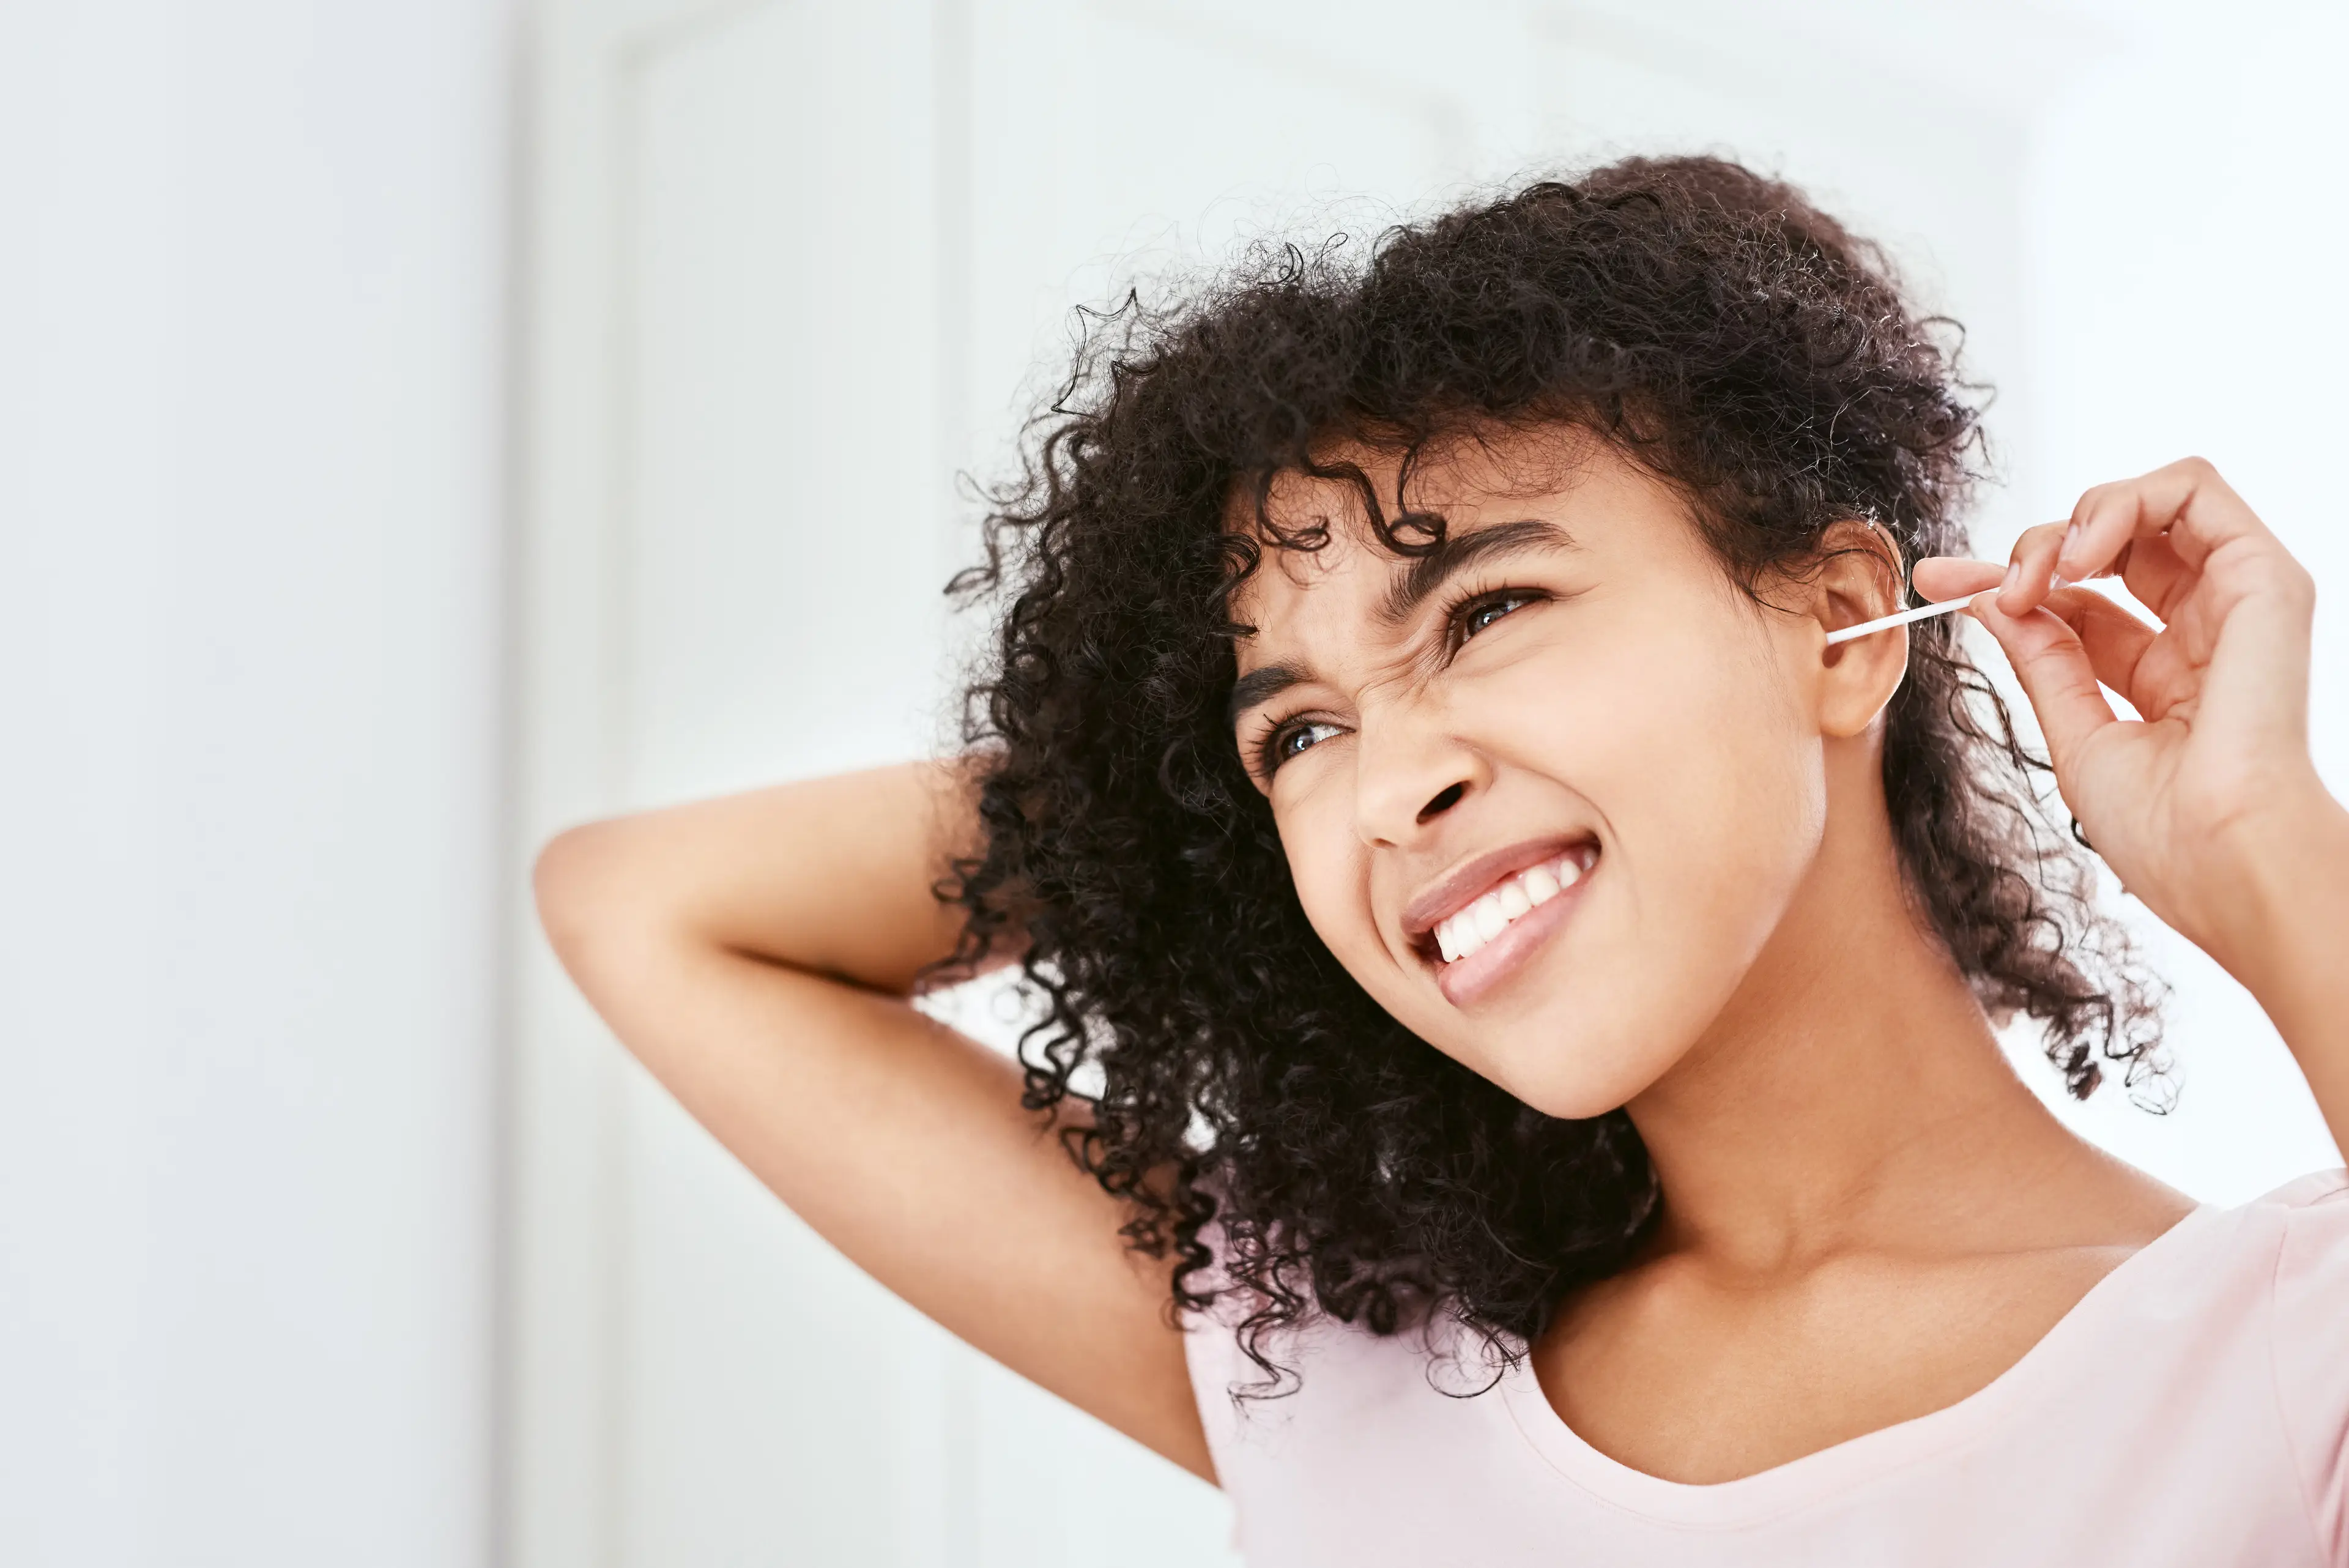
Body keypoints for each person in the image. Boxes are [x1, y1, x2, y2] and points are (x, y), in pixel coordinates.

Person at [533, 157, 2349, 1562]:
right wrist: (1151, 795)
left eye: (1485, 613)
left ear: (1847, 624)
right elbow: (650, 911)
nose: (1386, 787)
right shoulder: (1350, 1363)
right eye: (1297, 734)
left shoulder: (2280, 1361)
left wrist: (2264, 847)